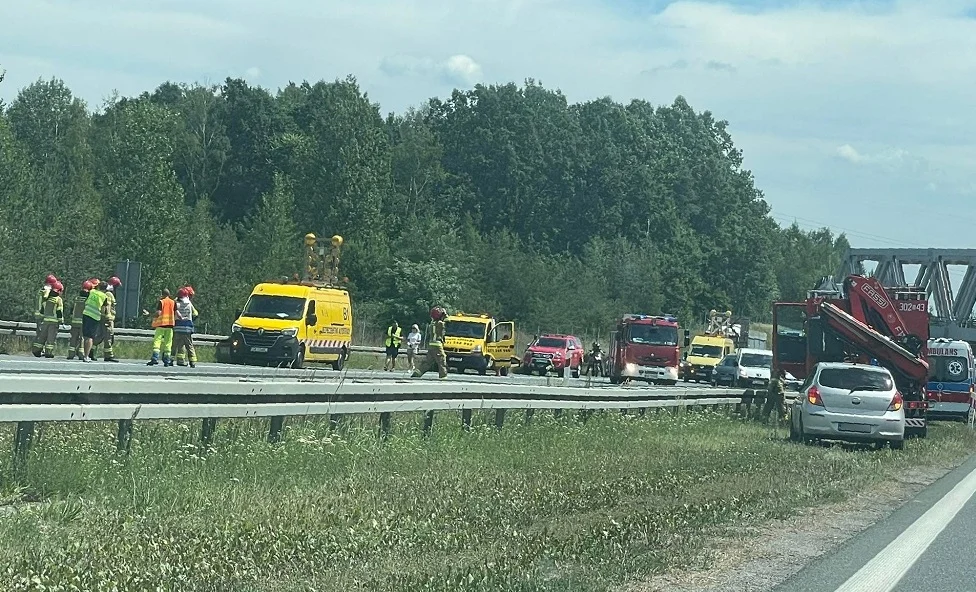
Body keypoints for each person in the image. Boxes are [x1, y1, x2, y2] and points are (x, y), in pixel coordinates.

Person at [92, 276, 121, 362]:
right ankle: (108, 356)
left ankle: (91, 350)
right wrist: (108, 317)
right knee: (108, 336)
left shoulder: (106, 293)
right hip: (107, 318)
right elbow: (108, 307)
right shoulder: (109, 294)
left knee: (100, 336)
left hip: (103, 317)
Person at [412, 307, 448, 378]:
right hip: (438, 345)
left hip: (431, 345)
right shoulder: (440, 323)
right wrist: (445, 314)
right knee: (442, 360)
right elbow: (447, 322)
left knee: (428, 361)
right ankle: (443, 376)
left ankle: (418, 372)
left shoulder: (432, 324)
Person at [32, 281, 63, 358]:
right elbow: (59, 311)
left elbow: (42, 312)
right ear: (59, 291)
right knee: (50, 338)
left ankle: (36, 350)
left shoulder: (46, 300)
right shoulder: (58, 300)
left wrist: (42, 317)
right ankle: (48, 353)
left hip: (45, 322)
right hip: (54, 323)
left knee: (42, 337)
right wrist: (60, 320)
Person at [81, 280, 108, 363]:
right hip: (94, 317)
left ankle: (84, 355)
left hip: (86, 314)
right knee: (90, 337)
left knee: (85, 336)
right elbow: (103, 310)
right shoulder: (104, 296)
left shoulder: (92, 292)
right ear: (106, 289)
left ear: (98, 286)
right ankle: (86, 356)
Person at [147, 289, 176, 366]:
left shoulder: (162, 301)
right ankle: (167, 360)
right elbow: (177, 314)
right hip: (170, 326)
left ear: (162, 294)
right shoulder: (173, 302)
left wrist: (150, 315)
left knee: (157, 341)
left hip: (161, 325)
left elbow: (158, 313)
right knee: (168, 343)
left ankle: (155, 358)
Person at [172, 286, 198, 368]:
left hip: (177, 327)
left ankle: (171, 360)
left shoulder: (175, 302)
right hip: (187, 327)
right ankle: (192, 361)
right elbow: (196, 314)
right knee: (189, 345)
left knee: (174, 345)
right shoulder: (189, 303)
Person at [67, 280, 93, 360]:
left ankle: (71, 354)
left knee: (73, 338)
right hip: (83, 322)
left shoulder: (76, 298)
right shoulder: (88, 300)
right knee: (82, 338)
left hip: (74, 322)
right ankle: (81, 354)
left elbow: (72, 310)